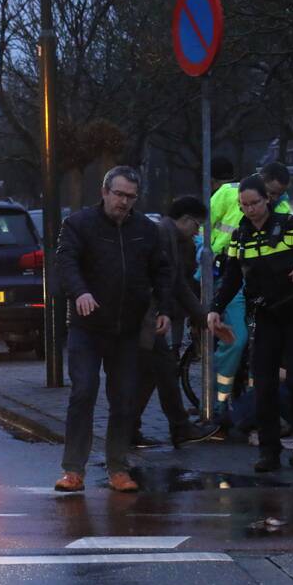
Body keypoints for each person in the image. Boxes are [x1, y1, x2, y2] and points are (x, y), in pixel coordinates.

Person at [54, 166, 172, 492]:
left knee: (123, 400)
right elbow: (66, 262)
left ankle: (118, 466)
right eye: (118, 194)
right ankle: (73, 469)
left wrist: (163, 309)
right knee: (83, 392)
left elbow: (162, 271)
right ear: (104, 192)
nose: (123, 202)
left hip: (128, 329)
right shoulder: (79, 224)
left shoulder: (146, 230)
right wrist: (80, 292)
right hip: (88, 327)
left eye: (130, 197)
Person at [208, 174, 293, 472]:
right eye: (244, 205)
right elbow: (233, 277)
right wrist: (215, 308)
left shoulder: (290, 227)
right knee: (263, 384)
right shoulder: (241, 235)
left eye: (254, 203)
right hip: (266, 316)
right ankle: (269, 451)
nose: (249, 210)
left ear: (267, 200)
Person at [132, 196, 219, 448]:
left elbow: (176, 282)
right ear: (186, 219)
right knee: (164, 370)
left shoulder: (169, 235)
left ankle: (130, 428)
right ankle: (179, 427)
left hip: (150, 316)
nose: (197, 232)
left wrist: (202, 317)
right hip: (149, 317)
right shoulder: (163, 235)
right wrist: (168, 313)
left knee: (152, 374)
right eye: (197, 225)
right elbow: (168, 282)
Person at [207, 158, 293, 415]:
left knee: (262, 344)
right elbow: (206, 224)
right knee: (236, 340)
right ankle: (215, 407)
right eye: (271, 192)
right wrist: (209, 252)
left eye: (277, 194)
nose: (273, 198)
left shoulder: (283, 207)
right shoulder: (227, 193)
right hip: (227, 272)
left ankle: (253, 409)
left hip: (260, 281)